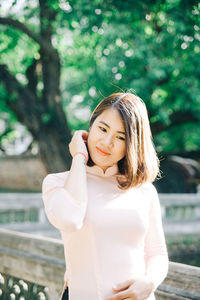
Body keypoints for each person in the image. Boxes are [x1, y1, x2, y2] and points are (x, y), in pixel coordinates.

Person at [42, 92, 169, 300]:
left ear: (132, 144)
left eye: (121, 137)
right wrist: (79, 157)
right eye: (102, 129)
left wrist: (149, 283)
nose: (107, 142)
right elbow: (70, 219)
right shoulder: (57, 183)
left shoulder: (144, 191)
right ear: (90, 127)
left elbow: (157, 253)